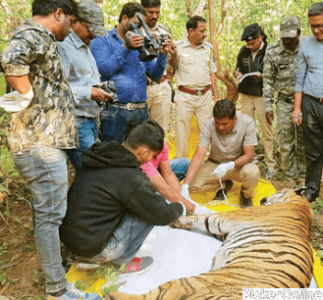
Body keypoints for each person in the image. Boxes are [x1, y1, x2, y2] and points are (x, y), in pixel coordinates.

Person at [0, 1, 100, 299]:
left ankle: (56, 266)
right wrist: (25, 93)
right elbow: (11, 59)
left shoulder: (44, 40)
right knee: (49, 217)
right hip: (39, 144)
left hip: (46, 143)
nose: (71, 26)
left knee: (49, 213)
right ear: (58, 13)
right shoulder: (32, 34)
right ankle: (58, 290)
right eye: (69, 19)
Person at [59, 120, 185, 275]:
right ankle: (122, 262)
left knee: (138, 202)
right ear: (143, 151)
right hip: (95, 250)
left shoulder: (103, 157)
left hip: (71, 241)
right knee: (151, 208)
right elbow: (161, 214)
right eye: (152, 156)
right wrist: (181, 207)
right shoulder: (131, 177)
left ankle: (92, 256)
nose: (150, 161)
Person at [91, 2, 172, 143]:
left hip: (140, 110)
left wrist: (162, 55)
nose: (139, 29)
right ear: (124, 19)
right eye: (136, 23)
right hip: (114, 110)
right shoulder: (103, 40)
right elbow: (104, 70)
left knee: (139, 158)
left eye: (141, 25)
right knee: (112, 155)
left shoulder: (141, 42)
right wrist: (125, 47)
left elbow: (155, 76)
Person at [58, 0, 113, 173]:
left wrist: (98, 87)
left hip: (89, 119)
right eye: (91, 29)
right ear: (75, 21)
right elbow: (57, 90)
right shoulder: (63, 46)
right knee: (93, 174)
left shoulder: (85, 45)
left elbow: (79, 79)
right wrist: (89, 92)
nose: (94, 35)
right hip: (76, 122)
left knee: (90, 174)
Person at [181, 99, 260, 208]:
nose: (220, 127)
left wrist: (230, 165)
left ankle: (245, 195)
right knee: (192, 187)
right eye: (217, 123)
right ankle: (223, 184)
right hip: (215, 165)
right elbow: (198, 157)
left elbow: (249, 155)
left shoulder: (247, 123)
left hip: (239, 166)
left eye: (224, 124)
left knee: (252, 173)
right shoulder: (209, 124)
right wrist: (185, 186)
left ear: (234, 119)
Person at [167, 15, 219, 159]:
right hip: (184, 96)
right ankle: (182, 166)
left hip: (205, 97)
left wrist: (216, 96)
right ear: (191, 31)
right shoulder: (177, 48)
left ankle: (207, 165)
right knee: (182, 133)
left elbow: (212, 73)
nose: (205, 34)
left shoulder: (208, 48)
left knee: (207, 132)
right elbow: (170, 71)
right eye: (201, 31)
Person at [263, 16, 305, 188]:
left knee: (304, 142)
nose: (287, 40)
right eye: (284, 36)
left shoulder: (310, 47)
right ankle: (291, 178)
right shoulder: (273, 50)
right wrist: (268, 105)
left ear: (299, 33)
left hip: (306, 103)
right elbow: (268, 79)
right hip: (285, 103)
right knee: (286, 143)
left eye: (291, 36)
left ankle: (304, 177)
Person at [234, 23, 276, 179]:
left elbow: (276, 74)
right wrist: (237, 73)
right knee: (246, 129)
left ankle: (270, 164)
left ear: (260, 37)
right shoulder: (244, 52)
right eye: (247, 43)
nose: (250, 46)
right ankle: (248, 161)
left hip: (262, 96)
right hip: (246, 95)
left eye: (252, 43)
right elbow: (238, 69)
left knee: (267, 130)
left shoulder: (270, 51)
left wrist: (263, 76)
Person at [293, 2, 323, 203]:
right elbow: (299, 79)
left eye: (320, 25)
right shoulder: (305, 45)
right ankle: (312, 188)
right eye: (313, 26)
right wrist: (297, 108)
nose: (316, 30)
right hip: (311, 103)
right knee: (313, 150)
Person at [141, 141, 211, 214]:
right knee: (158, 202)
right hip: (143, 178)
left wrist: (184, 198)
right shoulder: (143, 154)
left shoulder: (161, 143)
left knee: (184, 163)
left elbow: (168, 174)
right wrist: (194, 209)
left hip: (155, 171)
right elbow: (163, 189)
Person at [141, 0, 173, 136]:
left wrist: (170, 80)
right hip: (141, 88)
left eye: (157, 12)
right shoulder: (132, 31)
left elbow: (171, 62)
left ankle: (160, 158)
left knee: (160, 134)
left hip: (161, 88)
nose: (154, 16)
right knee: (139, 134)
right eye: (150, 12)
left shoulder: (164, 32)